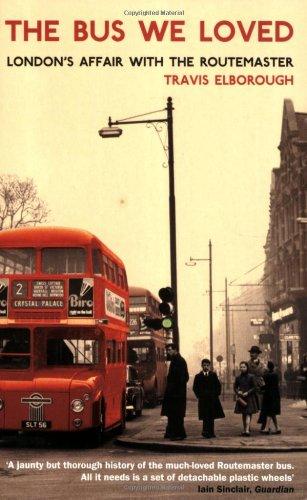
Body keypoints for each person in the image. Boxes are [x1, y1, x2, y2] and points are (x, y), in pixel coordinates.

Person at [161, 343, 189, 440]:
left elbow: (184, 378)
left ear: (175, 350)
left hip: (177, 394)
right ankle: (172, 433)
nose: (168, 352)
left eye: (169, 350)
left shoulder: (180, 361)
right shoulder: (175, 360)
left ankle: (178, 434)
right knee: (173, 414)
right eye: (167, 350)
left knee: (177, 415)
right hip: (174, 393)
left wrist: (175, 389)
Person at [193, 358, 225, 438]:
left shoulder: (213, 375)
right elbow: (195, 387)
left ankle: (211, 432)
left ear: (209, 366)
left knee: (212, 416)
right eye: (204, 365)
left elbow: (218, 385)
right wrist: (199, 395)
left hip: (212, 399)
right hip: (203, 400)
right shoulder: (198, 376)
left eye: (207, 365)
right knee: (205, 416)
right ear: (202, 366)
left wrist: (216, 394)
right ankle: (205, 431)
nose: (206, 367)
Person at [234, 361, 259, 436]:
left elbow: (255, 387)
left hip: (249, 397)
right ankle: (245, 429)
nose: (242, 368)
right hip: (242, 398)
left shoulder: (251, 376)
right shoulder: (238, 378)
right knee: (244, 414)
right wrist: (238, 392)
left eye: (244, 367)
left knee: (248, 413)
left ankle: (247, 430)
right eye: (241, 367)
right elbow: (235, 387)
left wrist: (247, 392)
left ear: (247, 367)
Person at [247, 345, 266, 429]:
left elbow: (264, 375)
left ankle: (264, 425)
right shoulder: (247, 364)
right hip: (251, 387)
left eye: (254, 353)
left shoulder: (262, 364)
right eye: (251, 352)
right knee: (249, 408)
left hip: (261, 387)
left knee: (263, 408)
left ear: (257, 354)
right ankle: (248, 426)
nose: (252, 354)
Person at [261, 361, 281, 434]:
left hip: (268, 395)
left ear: (268, 367)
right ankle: (278, 428)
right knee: (273, 413)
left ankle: (266, 428)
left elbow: (263, 386)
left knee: (269, 412)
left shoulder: (266, 376)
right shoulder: (276, 375)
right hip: (275, 395)